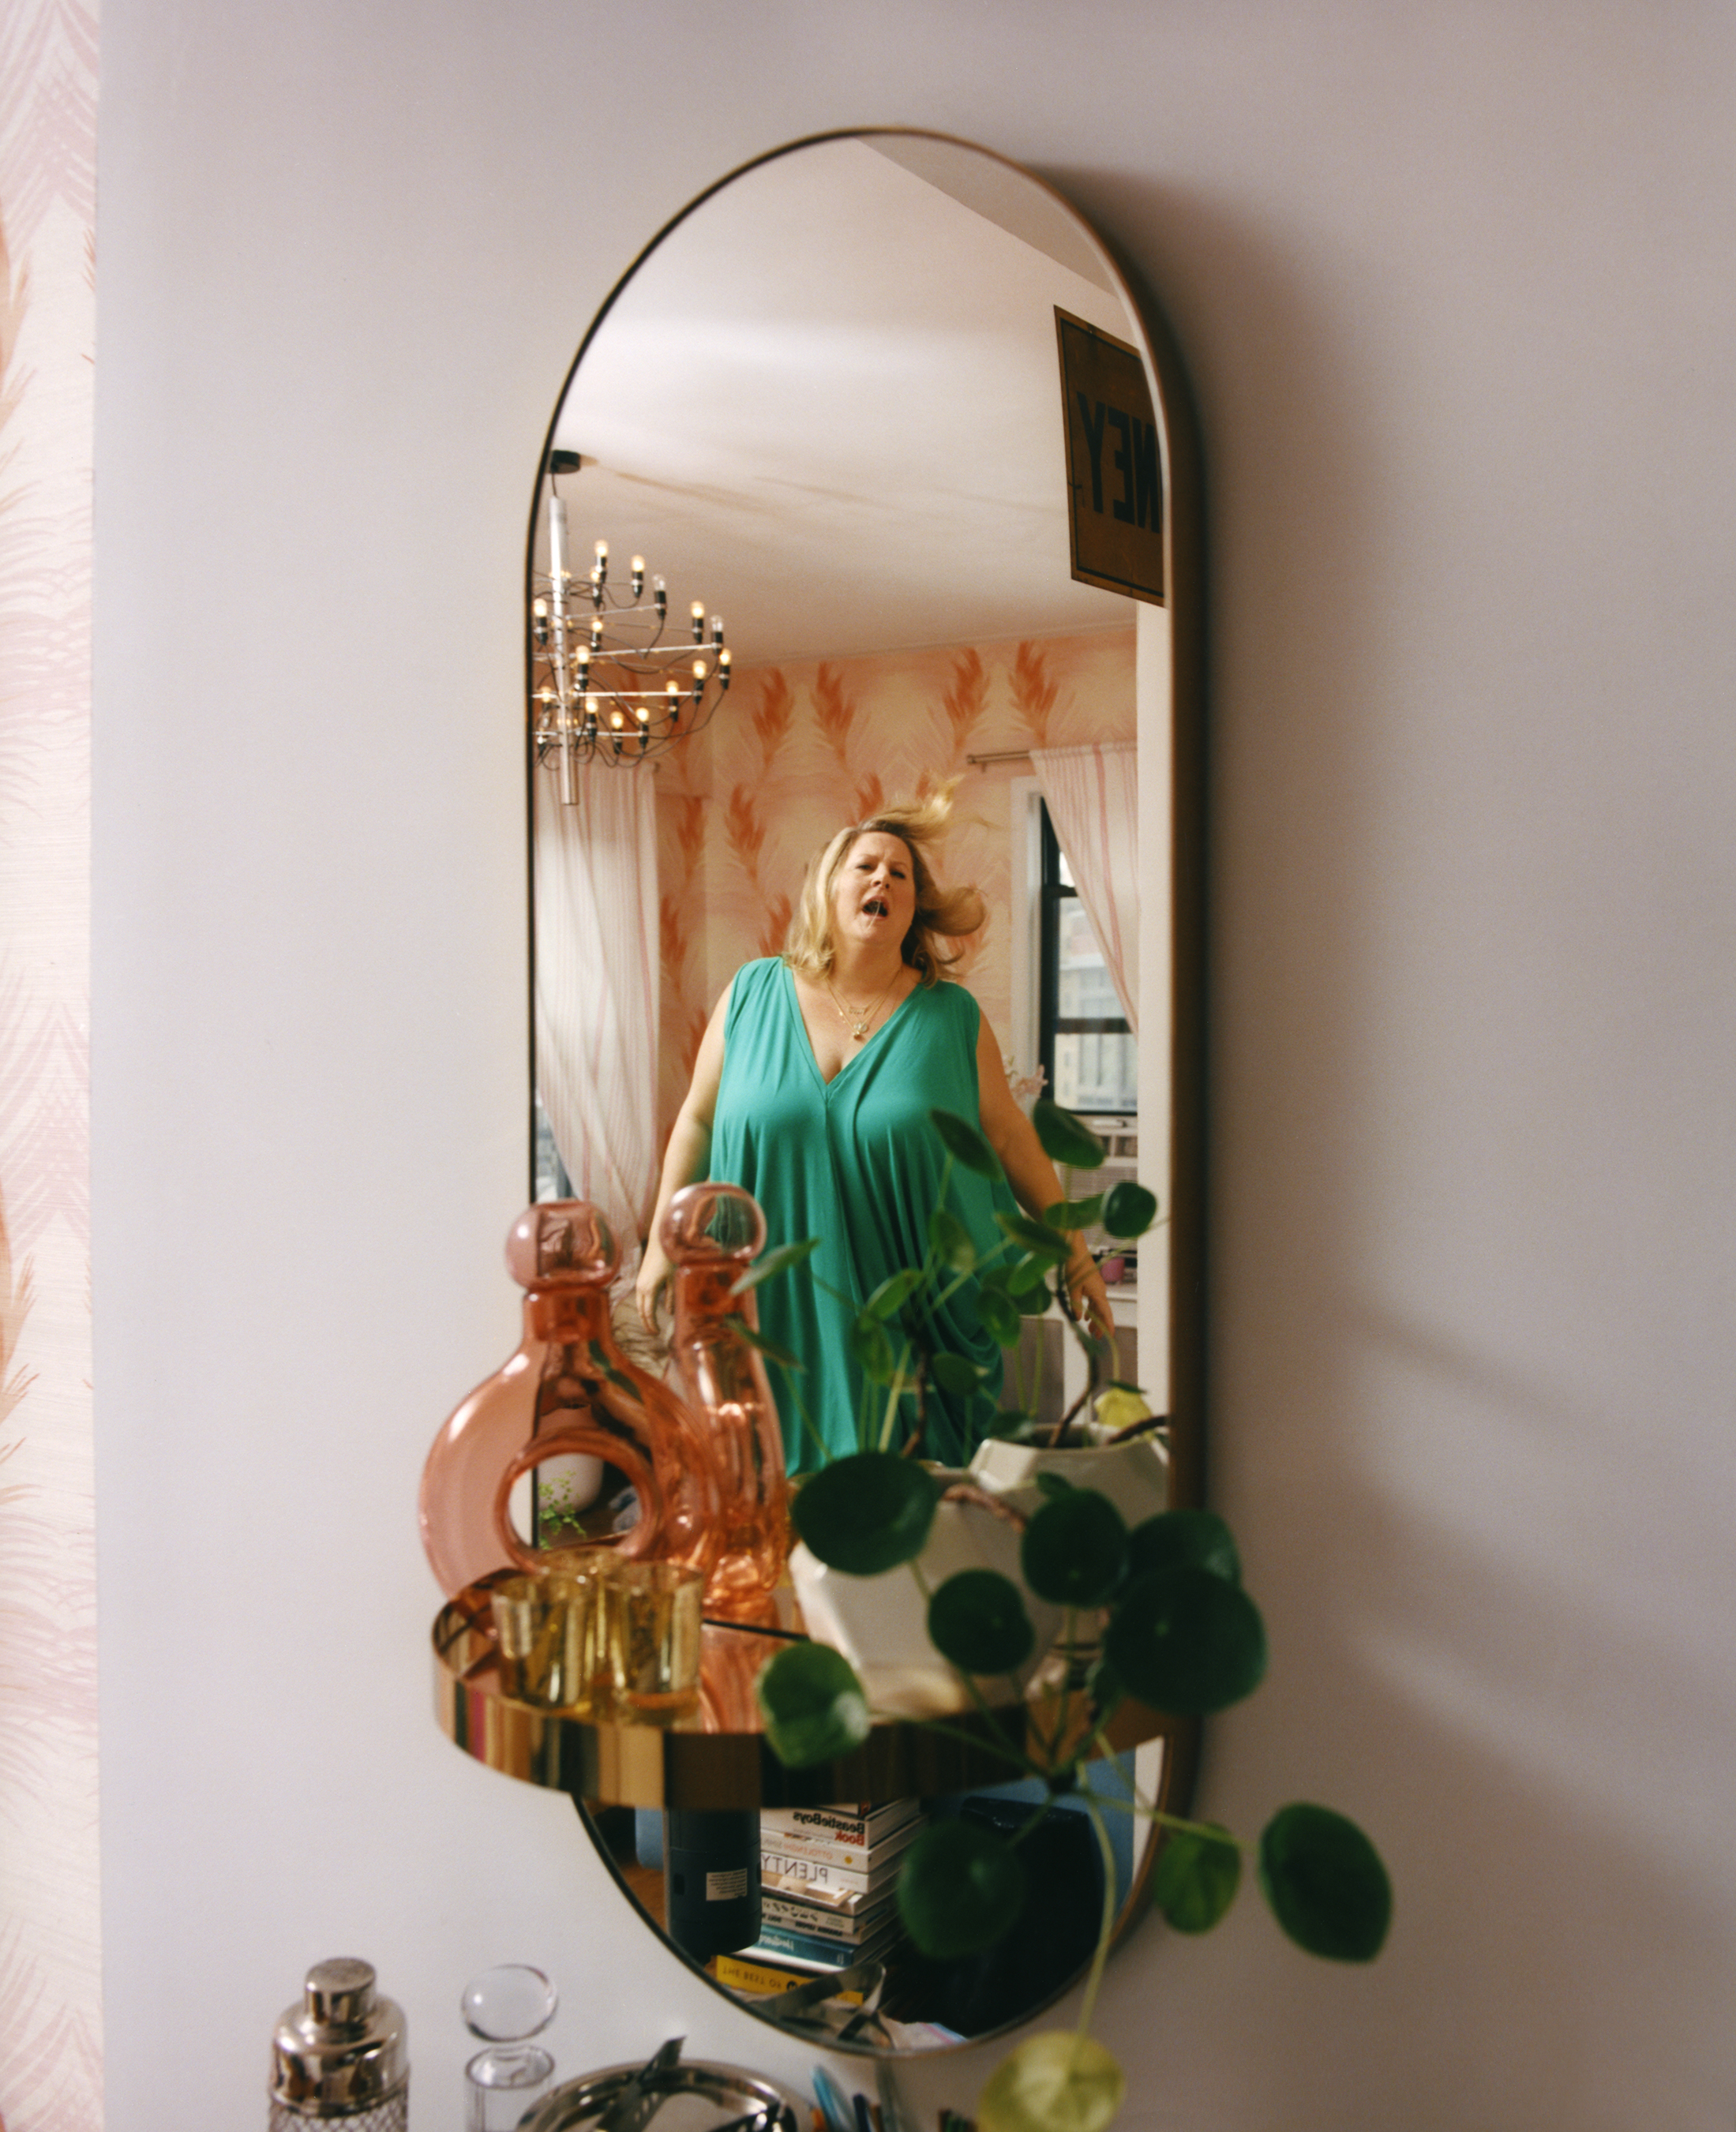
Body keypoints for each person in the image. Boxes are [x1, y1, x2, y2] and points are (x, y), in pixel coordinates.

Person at [637, 789, 1115, 1473]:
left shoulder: (951, 1017)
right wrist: (662, 1244)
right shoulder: (750, 993)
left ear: (914, 906)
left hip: (907, 1320)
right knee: (767, 1508)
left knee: (897, 1511)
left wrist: (1073, 1253)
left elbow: (1009, 1138)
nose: (882, 880)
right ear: (828, 889)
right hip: (768, 1308)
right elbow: (698, 1118)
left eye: (900, 874)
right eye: (864, 866)